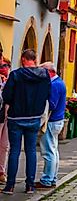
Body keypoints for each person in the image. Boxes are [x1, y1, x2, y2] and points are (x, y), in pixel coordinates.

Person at [1, 49, 51, 195]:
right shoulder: (44, 75)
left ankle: (10, 185)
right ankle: (30, 185)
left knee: (14, 151)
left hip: (16, 117)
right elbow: (48, 94)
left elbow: (7, 95)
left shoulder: (16, 75)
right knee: (31, 151)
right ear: (35, 59)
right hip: (34, 117)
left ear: (23, 59)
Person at [35, 62, 66, 189]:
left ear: (49, 72)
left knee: (48, 152)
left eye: (42, 72)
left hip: (51, 121)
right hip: (57, 120)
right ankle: (52, 178)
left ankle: (47, 179)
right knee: (54, 150)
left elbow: (51, 105)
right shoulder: (59, 82)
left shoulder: (54, 85)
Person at [0, 59, 11, 185]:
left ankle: (2, 171)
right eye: (3, 66)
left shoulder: (10, 81)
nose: (4, 68)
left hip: (8, 117)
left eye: (6, 66)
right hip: (0, 116)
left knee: (5, 146)